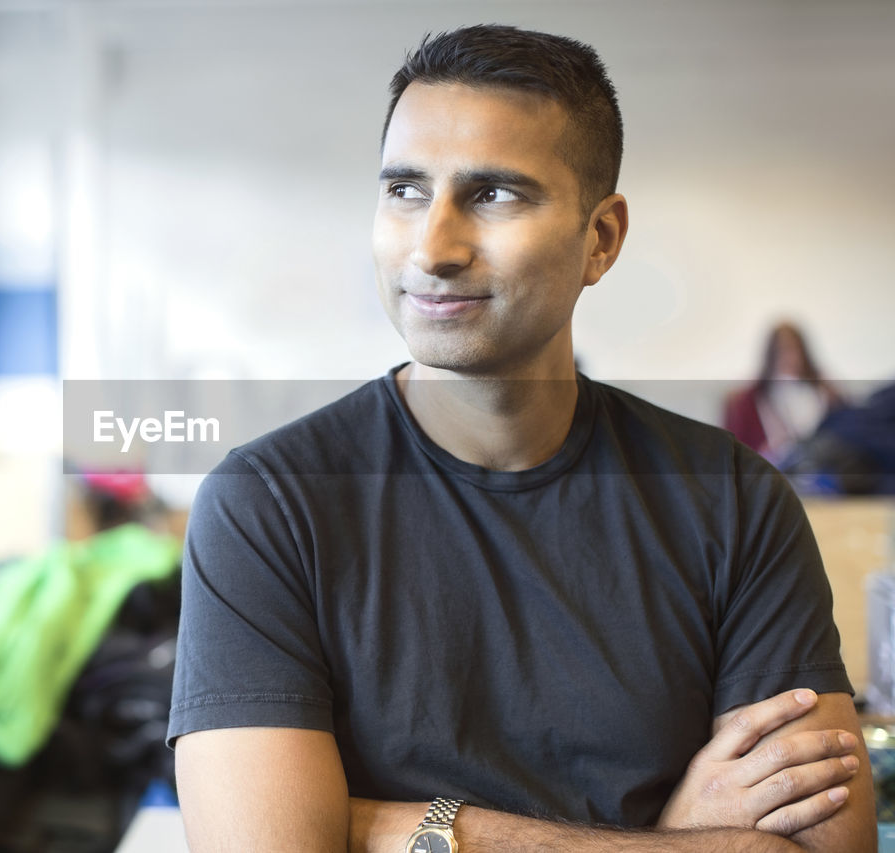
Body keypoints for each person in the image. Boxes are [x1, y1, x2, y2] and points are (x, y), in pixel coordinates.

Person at [168, 25, 875, 852]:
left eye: (494, 194)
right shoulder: (268, 505)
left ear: (601, 240)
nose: (433, 248)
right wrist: (674, 837)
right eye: (404, 189)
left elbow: (826, 847)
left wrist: (387, 828)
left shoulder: (733, 499)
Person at [724, 322, 844, 466]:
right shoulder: (746, 401)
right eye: (781, 351)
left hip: (820, 468)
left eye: (793, 350)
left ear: (803, 352)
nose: (788, 358)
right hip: (772, 470)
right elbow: (732, 455)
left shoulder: (826, 393)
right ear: (771, 355)